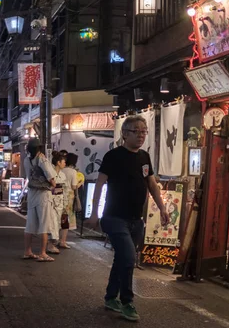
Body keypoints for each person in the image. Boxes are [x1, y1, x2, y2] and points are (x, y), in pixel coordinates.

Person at [93, 115, 169, 321]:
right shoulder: (113, 156)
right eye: (137, 131)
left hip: (136, 219)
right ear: (125, 134)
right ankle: (127, 301)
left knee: (122, 259)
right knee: (128, 258)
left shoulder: (144, 157)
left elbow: (152, 185)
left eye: (144, 131)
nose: (142, 135)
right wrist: (93, 212)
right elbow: (100, 184)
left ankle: (111, 297)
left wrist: (162, 208)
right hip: (114, 217)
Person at [23, 138, 56, 262]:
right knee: (44, 224)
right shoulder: (42, 159)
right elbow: (50, 175)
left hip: (32, 194)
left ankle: (27, 251)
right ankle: (42, 253)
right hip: (43, 195)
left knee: (30, 224)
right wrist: (53, 184)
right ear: (39, 148)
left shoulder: (26, 160)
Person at [46, 152, 71, 255]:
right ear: (58, 162)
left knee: (57, 223)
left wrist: (66, 203)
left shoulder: (62, 175)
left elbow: (65, 190)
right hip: (50, 200)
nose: (65, 163)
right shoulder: (50, 173)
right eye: (63, 162)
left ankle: (51, 244)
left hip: (59, 201)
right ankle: (50, 244)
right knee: (52, 223)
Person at [59, 153, 80, 249]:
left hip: (59, 196)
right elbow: (74, 186)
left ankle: (55, 239)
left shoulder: (61, 169)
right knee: (66, 220)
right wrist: (81, 183)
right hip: (69, 198)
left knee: (58, 218)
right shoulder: (73, 172)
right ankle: (62, 241)